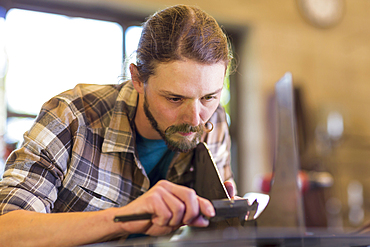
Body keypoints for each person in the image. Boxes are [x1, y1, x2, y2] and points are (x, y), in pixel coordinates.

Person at [0, 4, 236, 246]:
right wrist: (124, 219)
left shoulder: (214, 120)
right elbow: (6, 231)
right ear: (137, 79)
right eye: (174, 98)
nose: (196, 119)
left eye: (209, 97)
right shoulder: (70, 116)